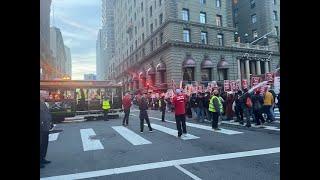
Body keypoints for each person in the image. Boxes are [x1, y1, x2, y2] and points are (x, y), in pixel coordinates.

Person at [40, 95, 53, 168]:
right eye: (44, 94)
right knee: (41, 144)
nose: (46, 96)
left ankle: (42, 158)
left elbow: (47, 114)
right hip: (41, 128)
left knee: (44, 144)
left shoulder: (43, 103)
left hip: (45, 127)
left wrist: (50, 122)